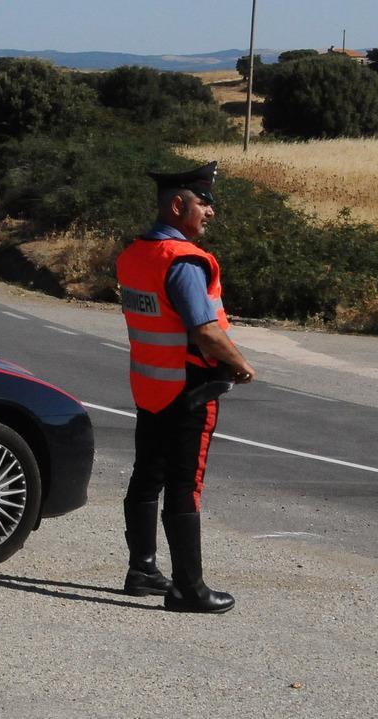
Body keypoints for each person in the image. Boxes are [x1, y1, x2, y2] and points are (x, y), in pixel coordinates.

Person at [116, 161, 255, 614]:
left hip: (150, 383)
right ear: (179, 205)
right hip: (189, 388)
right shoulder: (185, 262)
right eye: (205, 202)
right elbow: (207, 332)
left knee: (147, 474)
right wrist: (241, 365)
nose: (211, 212)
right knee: (184, 484)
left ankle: (142, 569)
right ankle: (188, 589)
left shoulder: (135, 254)